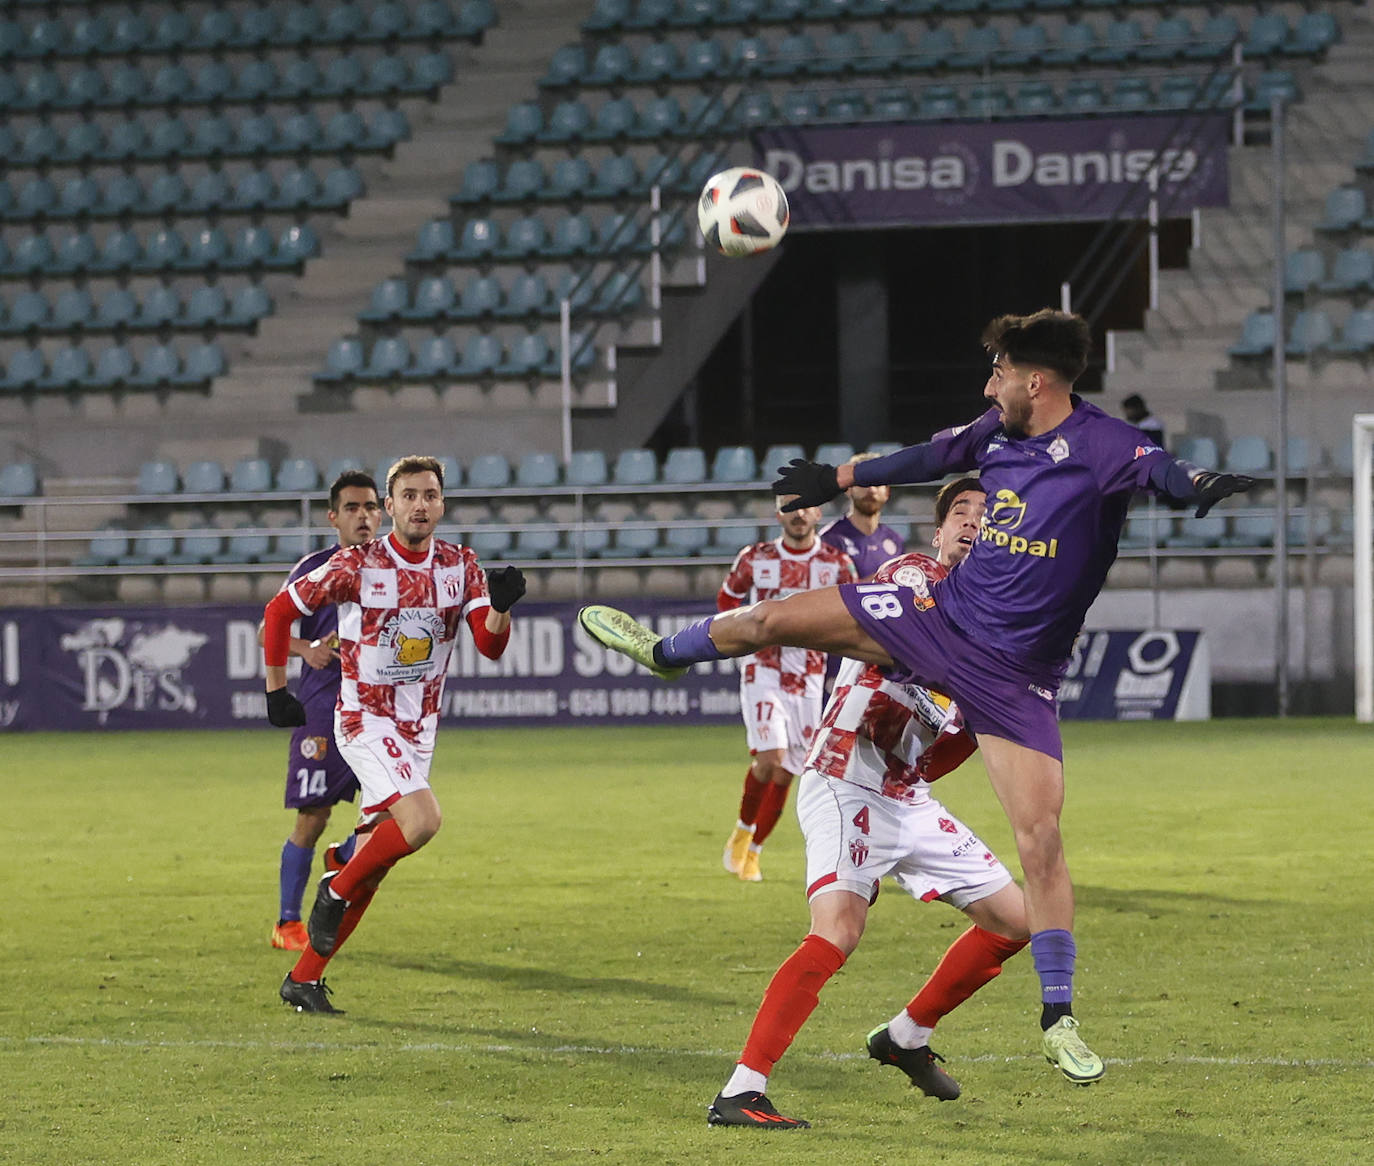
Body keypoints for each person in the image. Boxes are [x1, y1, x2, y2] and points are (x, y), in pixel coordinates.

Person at [580, 309, 1255, 1083]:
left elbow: (1159, 470)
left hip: (1013, 677)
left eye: (998, 371)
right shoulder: (993, 439)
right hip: (941, 620)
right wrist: (838, 479)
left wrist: (1196, 483)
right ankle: (667, 652)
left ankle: (1058, 1014)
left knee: (1041, 842)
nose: (988, 382)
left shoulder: (1101, 444)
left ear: (1036, 381)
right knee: (771, 619)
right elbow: (931, 453)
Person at [708, 479, 1033, 1129]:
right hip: (843, 779)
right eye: (960, 514)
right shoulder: (912, 578)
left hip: (906, 797)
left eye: (989, 518)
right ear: (938, 534)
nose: (973, 523)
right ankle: (741, 1091)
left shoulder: (993, 640)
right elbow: (899, 670)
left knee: (1016, 921)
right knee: (837, 932)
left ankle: (906, 1035)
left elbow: (943, 753)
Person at [262, 455, 527, 1013]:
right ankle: (333, 887)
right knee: (424, 820)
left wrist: (500, 607)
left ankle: (304, 979)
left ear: (442, 505)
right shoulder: (356, 564)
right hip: (364, 718)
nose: (420, 505)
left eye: (430, 495)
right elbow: (280, 610)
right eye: (409, 495)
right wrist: (275, 689)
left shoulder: (462, 565)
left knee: (374, 866)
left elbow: (491, 644)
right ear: (391, 506)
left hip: (418, 732)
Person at [264, 470, 381, 951]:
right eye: (352, 508)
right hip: (322, 709)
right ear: (333, 517)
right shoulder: (315, 567)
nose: (363, 516)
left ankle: (346, 855)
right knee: (313, 815)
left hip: (378, 713)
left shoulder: (399, 568)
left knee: (390, 818)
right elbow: (266, 630)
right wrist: (306, 646)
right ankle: (287, 923)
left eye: (371, 507)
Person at [719, 501, 856, 883]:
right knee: (770, 756)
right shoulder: (755, 557)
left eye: (806, 507)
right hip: (763, 670)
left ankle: (754, 850)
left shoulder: (837, 563)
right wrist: (738, 644)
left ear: (818, 515)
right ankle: (743, 828)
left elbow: (854, 611)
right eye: (789, 508)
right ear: (777, 514)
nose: (798, 514)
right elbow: (727, 599)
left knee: (788, 771)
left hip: (809, 678)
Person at [820, 452, 907, 579]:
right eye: (864, 483)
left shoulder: (895, 540)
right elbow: (825, 592)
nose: (871, 490)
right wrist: (879, 580)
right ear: (849, 489)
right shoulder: (830, 539)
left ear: (887, 492)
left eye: (877, 483)